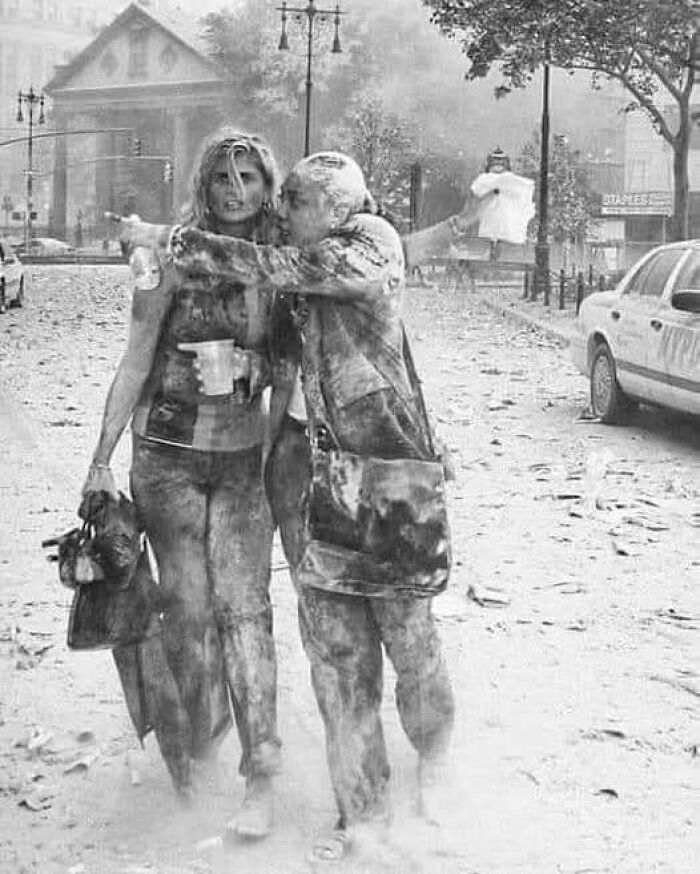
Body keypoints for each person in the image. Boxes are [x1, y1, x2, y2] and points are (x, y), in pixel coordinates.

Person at [128, 151, 490, 864]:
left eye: (290, 203)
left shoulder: (366, 244)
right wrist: (251, 370)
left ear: (331, 208)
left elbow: (291, 268)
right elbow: (286, 349)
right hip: (308, 475)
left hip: (387, 478)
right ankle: (363, 809)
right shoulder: (298, 268)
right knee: (336, 653)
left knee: (410, 641)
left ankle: (436, 754)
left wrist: (169, 238)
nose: (280, 215)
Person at [80, 128, 282, 839]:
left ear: (268, 185)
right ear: (204, 182)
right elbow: (135, 359)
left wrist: (263, 370)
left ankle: (263, 773)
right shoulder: (168, 256)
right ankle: (194, 748)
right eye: (223, 176)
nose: (236, 190)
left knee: (247, 609)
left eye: (250, 177)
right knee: (189, 609)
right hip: (165, 458)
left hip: (241, 461)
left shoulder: (274, 262)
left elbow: (297, 356)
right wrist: (101, 457)